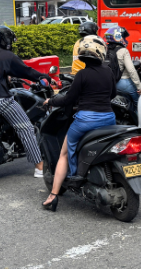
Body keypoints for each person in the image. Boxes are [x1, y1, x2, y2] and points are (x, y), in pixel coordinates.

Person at [42, 35, 116, 212]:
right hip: (109, 118)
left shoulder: (82, 74)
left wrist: (50, 101)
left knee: (64, 153)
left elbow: (68, 99)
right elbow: (113, 94)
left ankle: (53, 195)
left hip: (86, 121)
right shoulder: (108, 72)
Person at [0, 25, 50, 177]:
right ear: (4, 40)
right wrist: (43, 77)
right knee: (26, 128)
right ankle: (39, 167)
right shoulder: (6, 55)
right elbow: (26, 71)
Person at [105, 27, 141, 109]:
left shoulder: (105, 50)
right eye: (123, 37)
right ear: (117, 37)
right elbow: (131, 70)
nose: (124, 39)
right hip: (123, 83)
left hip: (108, 83)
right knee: (139, 103)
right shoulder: (123, 51)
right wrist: (139, 87)